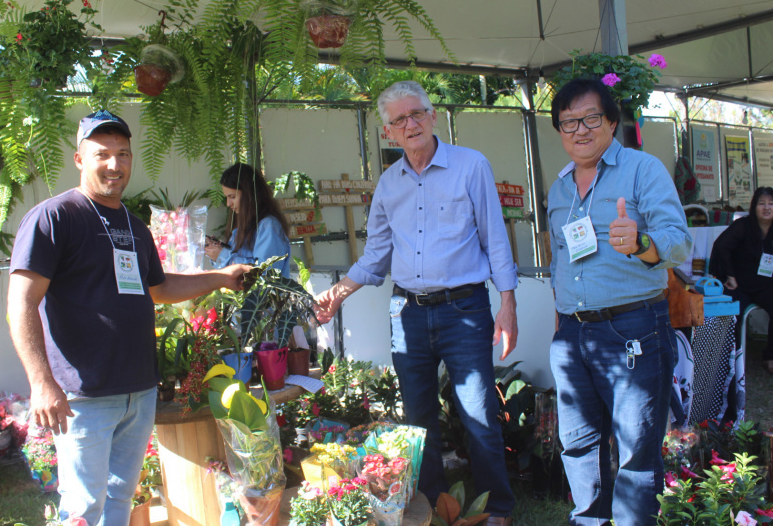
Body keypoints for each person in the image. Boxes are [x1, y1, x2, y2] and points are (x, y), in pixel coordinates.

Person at [7, 110, 248, 525]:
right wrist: (41, 382)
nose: (115, 165)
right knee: (83, 507)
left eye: (123, 154)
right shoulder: (55, 218)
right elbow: (21, 303)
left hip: (138, 390)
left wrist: (220, 278)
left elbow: (161, 288)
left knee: (119, 498)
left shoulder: (134, 227)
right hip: (84, 395)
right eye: (102, 154)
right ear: (80, 159)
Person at [313, 80, 518, 526]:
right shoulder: (388, 184)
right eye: (399, 120)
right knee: (418, 419)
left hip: (465, 310)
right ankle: (430, 505)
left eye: (417, 114)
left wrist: (507, 304)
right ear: (388, 132)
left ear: (433, 116)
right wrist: (338, 291)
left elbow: (496, 240)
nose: (411, 124)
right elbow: (376, 256)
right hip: (407, 313)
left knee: (479, 412)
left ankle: (496, 510)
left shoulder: (471, 166)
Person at [546, 78, 691, 525]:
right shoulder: (560, 188)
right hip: (573, 333)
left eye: (591, 118)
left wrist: (643, 241)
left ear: (611, 122)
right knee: (578, 443)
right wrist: (562, 329)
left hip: (634, 328)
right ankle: (589, 519)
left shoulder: (641, 170)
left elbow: (681, 243)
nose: (580, 130)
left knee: (636, 450)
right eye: (568, 122)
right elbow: (561, 263)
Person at [710, 186, 773, 375]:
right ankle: (729, 357)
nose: (766, 208)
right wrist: (729, 275)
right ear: (754, 207)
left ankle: (772, 357)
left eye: (771, 204)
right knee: (731, 312)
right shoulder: (743, 225)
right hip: (740, 284)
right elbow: (721, 246)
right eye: (761, 204)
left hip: (768, 285)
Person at [204, 162, 292, 277]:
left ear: (249, 194)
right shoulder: (242, 226)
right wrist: (219, 249)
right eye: (227, 198)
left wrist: (222, 256)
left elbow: (266, 273)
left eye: (232, 197)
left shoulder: (269, 226)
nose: (228, 203)